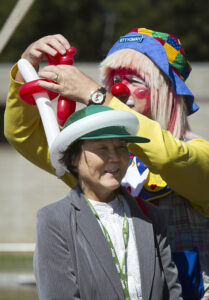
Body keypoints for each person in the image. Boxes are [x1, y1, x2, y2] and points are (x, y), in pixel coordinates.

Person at [4, 28, 209, 299]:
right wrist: (26, 69)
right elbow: (25, 135)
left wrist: (97, 96)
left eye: (135, 80)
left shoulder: (197, 153)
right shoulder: (100, 164)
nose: (120, 89)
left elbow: (169, 157)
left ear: (166, 92)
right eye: (115, 80)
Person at [33, 104, 182, 300]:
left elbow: (172, 293)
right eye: (102, 148)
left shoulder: (151, 217)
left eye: (121, 147)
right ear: (74, 158)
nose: (115, 158)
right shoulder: (55, 221)